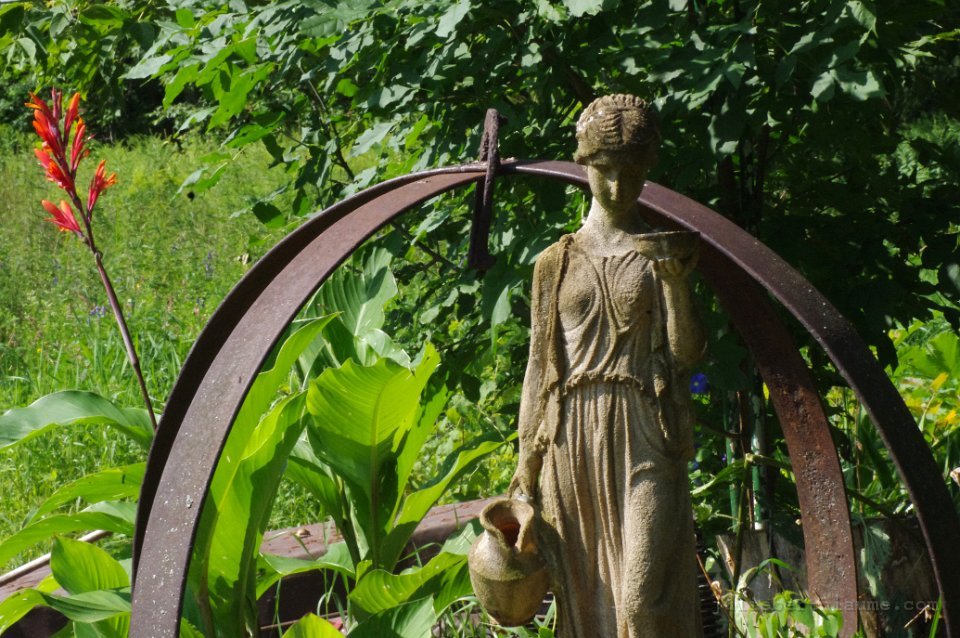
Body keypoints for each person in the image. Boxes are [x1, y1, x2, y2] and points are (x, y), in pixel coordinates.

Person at [508, 94, 706, 637]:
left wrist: (675, 285)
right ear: (583, 164)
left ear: (648, 168)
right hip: (571, 439)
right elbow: (538, 367)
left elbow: (687, 355)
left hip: (644, 431)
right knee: (588, 599)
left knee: (640, 601)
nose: (618, 186)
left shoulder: (659, 252)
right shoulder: (555, 262)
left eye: (632, 172)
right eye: (605, 170)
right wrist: (526, 464)